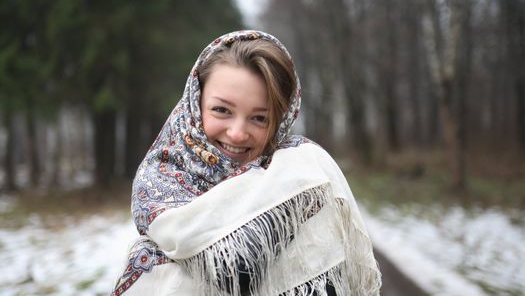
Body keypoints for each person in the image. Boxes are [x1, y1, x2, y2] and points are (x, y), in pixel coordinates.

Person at [111, 30, 381, 296]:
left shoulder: (302, 185)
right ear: (194, 104)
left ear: (279, 122)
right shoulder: (159, 188)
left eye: (260, 118)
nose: (238, 133)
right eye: (222, 110)